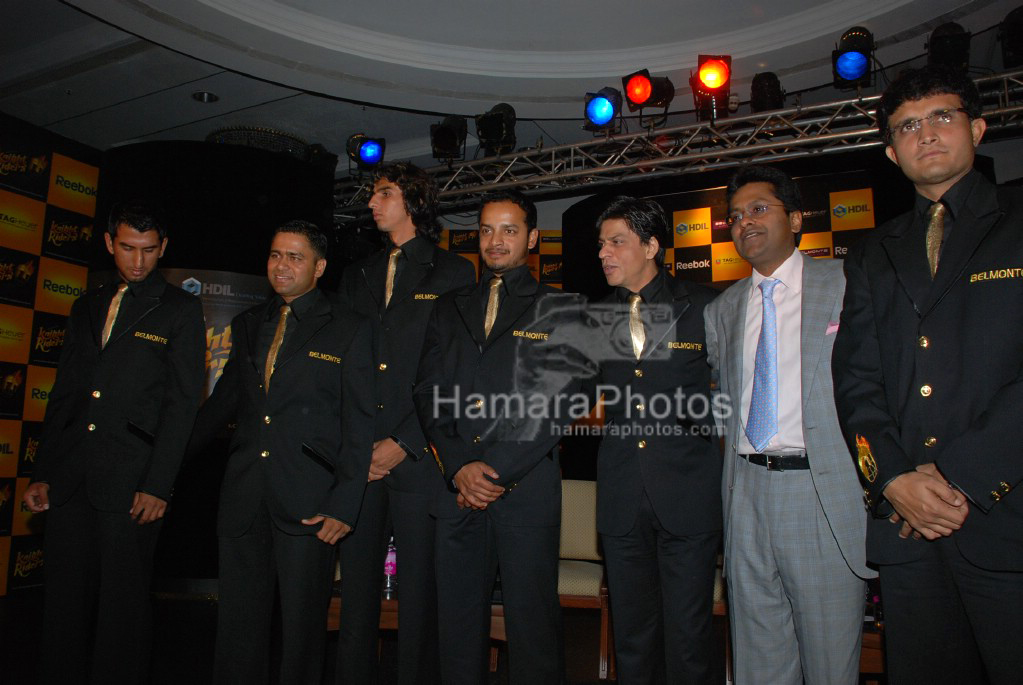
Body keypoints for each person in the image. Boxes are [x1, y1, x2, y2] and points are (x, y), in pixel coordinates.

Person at [832, 64, 1023, 685]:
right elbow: (855, 384)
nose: (927, 133)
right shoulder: (872, 252)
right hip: (907, 527)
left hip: (1005, 518)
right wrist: (889, 480)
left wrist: (962, 476)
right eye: (908, 126)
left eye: (943, 116)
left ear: (980, 127)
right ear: (892, 152)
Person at [23, 201, 207, 685]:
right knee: (62, 602)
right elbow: (65, 394)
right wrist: (42, 471)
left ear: (162, 248)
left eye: (149, 250)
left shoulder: (181, 309)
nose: (138, 260)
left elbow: (183, 404)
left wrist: (159, 486)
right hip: (70, 477)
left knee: (123, 608)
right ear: (110, 244)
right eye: (128, 248)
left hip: (132, 481)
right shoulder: (86, 305)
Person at [703, 165, 873, 684]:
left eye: (759, 209)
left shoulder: (846, 283)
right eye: (735, 216)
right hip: (746, 495)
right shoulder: (722, 309)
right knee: (759, 663)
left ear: (797, 219)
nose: (744, 222)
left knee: (829, 664)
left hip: (820, 492)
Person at [194, 220, 375, 684]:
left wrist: (344, 504)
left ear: (320, 267)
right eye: (276, 255)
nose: (282, 265)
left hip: (311, 502)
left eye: (295, 257)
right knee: (237, 629)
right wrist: (158, 462)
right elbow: (220, 409)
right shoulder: (249, 323)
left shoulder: (350, 329)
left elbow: (359, 426)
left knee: (302, 634)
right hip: (243, 497)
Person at [414, 190, 578, 685]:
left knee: (532, 630)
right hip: (458, 490)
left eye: (509, 230)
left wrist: (493, 471)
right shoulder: (448, 307)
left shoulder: (562, 307)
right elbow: (428, 390)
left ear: (531, 238)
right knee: (458, 628)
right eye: (486, 229)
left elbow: (561, 403)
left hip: (524, 492)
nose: (495, 240)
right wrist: (460, 465)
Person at [336, 162, 475, 685]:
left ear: (415, 202)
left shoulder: (453, 273)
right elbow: (346, 369)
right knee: (356, 600)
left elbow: (454, 370)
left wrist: (405, 441)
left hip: (418, 460)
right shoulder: (357, 275)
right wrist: (357, 447)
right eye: (373, 194)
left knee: (419, 601)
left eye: (384, 193)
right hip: (360, 465)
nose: (372, 204)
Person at [590, 196, 721, 684]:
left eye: (617, 242)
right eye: (601, 244)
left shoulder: (705, 305)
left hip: (689, 495)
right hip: (622, 498)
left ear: (651, 246)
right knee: (632, 637)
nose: (604, 253)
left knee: (689, 637)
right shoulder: (596, 316)